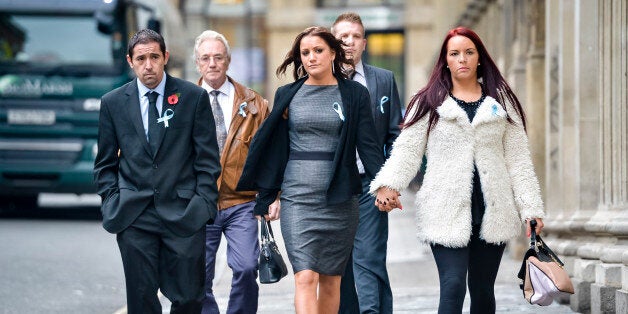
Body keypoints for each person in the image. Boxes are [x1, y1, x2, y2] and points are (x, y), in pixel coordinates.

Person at [370, 26, 546, 314]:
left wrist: (530, 208)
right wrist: (389, 185)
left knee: (482, 290)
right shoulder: (428, 101)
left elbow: (518, 160)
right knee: (452, 287)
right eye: (455, 53)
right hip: (445, 208)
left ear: (479, 58)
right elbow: (407, 150)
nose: (462, 59)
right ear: (446, 60)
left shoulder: (501, 101)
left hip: (493, 209)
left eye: (469, 52)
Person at [236, 26, 384, 313]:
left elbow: (368, 145)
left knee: (331, 280)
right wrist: (268, 195)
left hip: (340, 199)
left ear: (332, 53)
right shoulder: (288, 95)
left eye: (318, 51)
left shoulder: (354, 93)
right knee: (305, 276)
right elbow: (277, 148)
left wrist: (384, 184)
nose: (311, 57)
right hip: (298, 198)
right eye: (305, 53)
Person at [93, 29, 221, 314]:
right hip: (134, 215)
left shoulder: (193, 97)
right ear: (130, 61)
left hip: (184, 213)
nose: (148, 64)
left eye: (154, 56)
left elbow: (208, 161)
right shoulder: (113, 103)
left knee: (189, 298)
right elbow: (104, 164)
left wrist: (201, 204)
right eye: (141, 58)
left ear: (165, 57)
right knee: (142, 302)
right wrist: (113, 202)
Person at [192, 29, 279, 314]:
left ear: (228, 61)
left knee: (246, 267)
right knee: (197, 276)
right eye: (206, 58)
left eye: (218, 57)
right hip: (200, 201)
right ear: (198, 63)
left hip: (241, 201)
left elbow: (270, 153)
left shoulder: (254, 103)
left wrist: (272, 195)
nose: (212, 63)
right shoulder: (185, 102)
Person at [331, 12, 402, 314]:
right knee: (341, 264)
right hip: (333, 188)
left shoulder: (383, 80)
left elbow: (395, 133)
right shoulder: (321, 80)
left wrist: (389, 180)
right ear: (333, 43)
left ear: (364, 43)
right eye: (342, 36)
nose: (348, 42)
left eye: (354, 36)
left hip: (370, 184)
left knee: (370, 256)